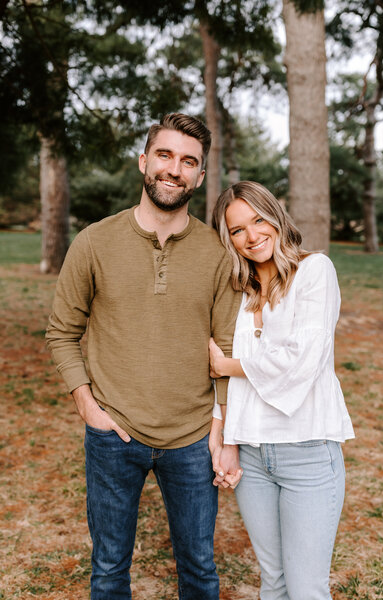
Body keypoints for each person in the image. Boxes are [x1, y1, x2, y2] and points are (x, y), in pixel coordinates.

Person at [45, 113, 242, 600]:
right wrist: (87, 406)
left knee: (198, 567)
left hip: (193, 437)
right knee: (109, 568)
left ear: (200, 176)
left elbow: (228, 351)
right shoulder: (93, 242)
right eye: (165, 155)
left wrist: (221, 431)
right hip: (114, 434)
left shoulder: (219, 252)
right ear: (144, 162)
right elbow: (62, 331)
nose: (174, 169)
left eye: (188, 161)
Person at [209, 181, 355, 600]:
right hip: (253, 457)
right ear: (228, 238)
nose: (252, 237)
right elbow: (224, 386)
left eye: (258, 220)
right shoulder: (239, 292)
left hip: (307, 452)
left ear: (276, 217)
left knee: (307, 588)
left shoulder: (315, 271)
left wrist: (229, 365)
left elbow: (301, 361)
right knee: (272, 583)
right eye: (237, 230)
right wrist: (224, 440)